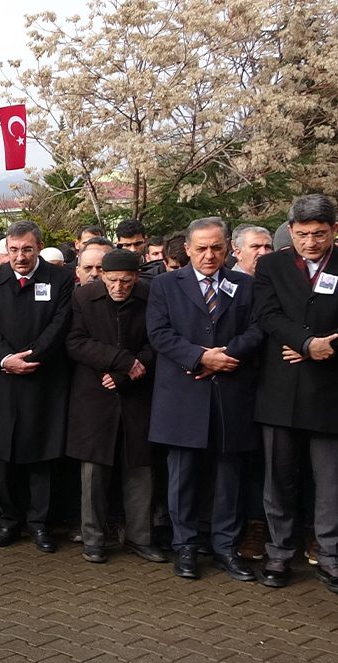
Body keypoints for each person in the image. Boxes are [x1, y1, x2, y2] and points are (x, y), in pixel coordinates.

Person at [147, 217, 262, 582]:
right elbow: (159, 333)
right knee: (182, 476)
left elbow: (258, 328)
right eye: (201, 248)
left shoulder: (244, 285)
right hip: (183, 393)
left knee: (229, 475)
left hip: (230, 392)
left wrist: (226, 355)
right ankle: (185, 547)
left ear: (227, 248)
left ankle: (226, 547)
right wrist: (200, 356)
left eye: (216, 247)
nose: (209, 255)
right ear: (188, 250)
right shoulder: (165, 285)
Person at [0, 220, 75, 553]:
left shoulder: (60, 279)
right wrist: (4, 359)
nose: (20, 257)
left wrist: (32, 355)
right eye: (13, 250)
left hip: (42, 377)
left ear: (38, 248)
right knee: (2, 455)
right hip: (0, 379)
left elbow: (61, 324)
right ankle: (8, 521)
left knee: (40, 455)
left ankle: (39, 524)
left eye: (27, 249)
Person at [252, 194, 338, 593]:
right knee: (279, 479)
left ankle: (330, 555)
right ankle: (279, 553)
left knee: (330, 480)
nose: (310, 243)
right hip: (281, 390)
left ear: (334, 230)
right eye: (302, 235)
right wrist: (307, 344)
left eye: (319, 234)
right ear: (291, 231)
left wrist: (325, 349)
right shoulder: (271, 265)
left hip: (329, 389)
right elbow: (268, 315)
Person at [65, 249, 165, 564]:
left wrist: (131, 371)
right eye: (112, 281)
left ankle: (139, 536)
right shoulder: (84, 297)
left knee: (140, 468)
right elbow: (76, 342)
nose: (119, 287)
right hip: (94, 393)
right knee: (93, 471)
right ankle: (93, 538)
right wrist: (120, 361)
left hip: (137, 392)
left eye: (126, 281)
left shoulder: (150, 296)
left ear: (137, 277)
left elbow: (157, 341)